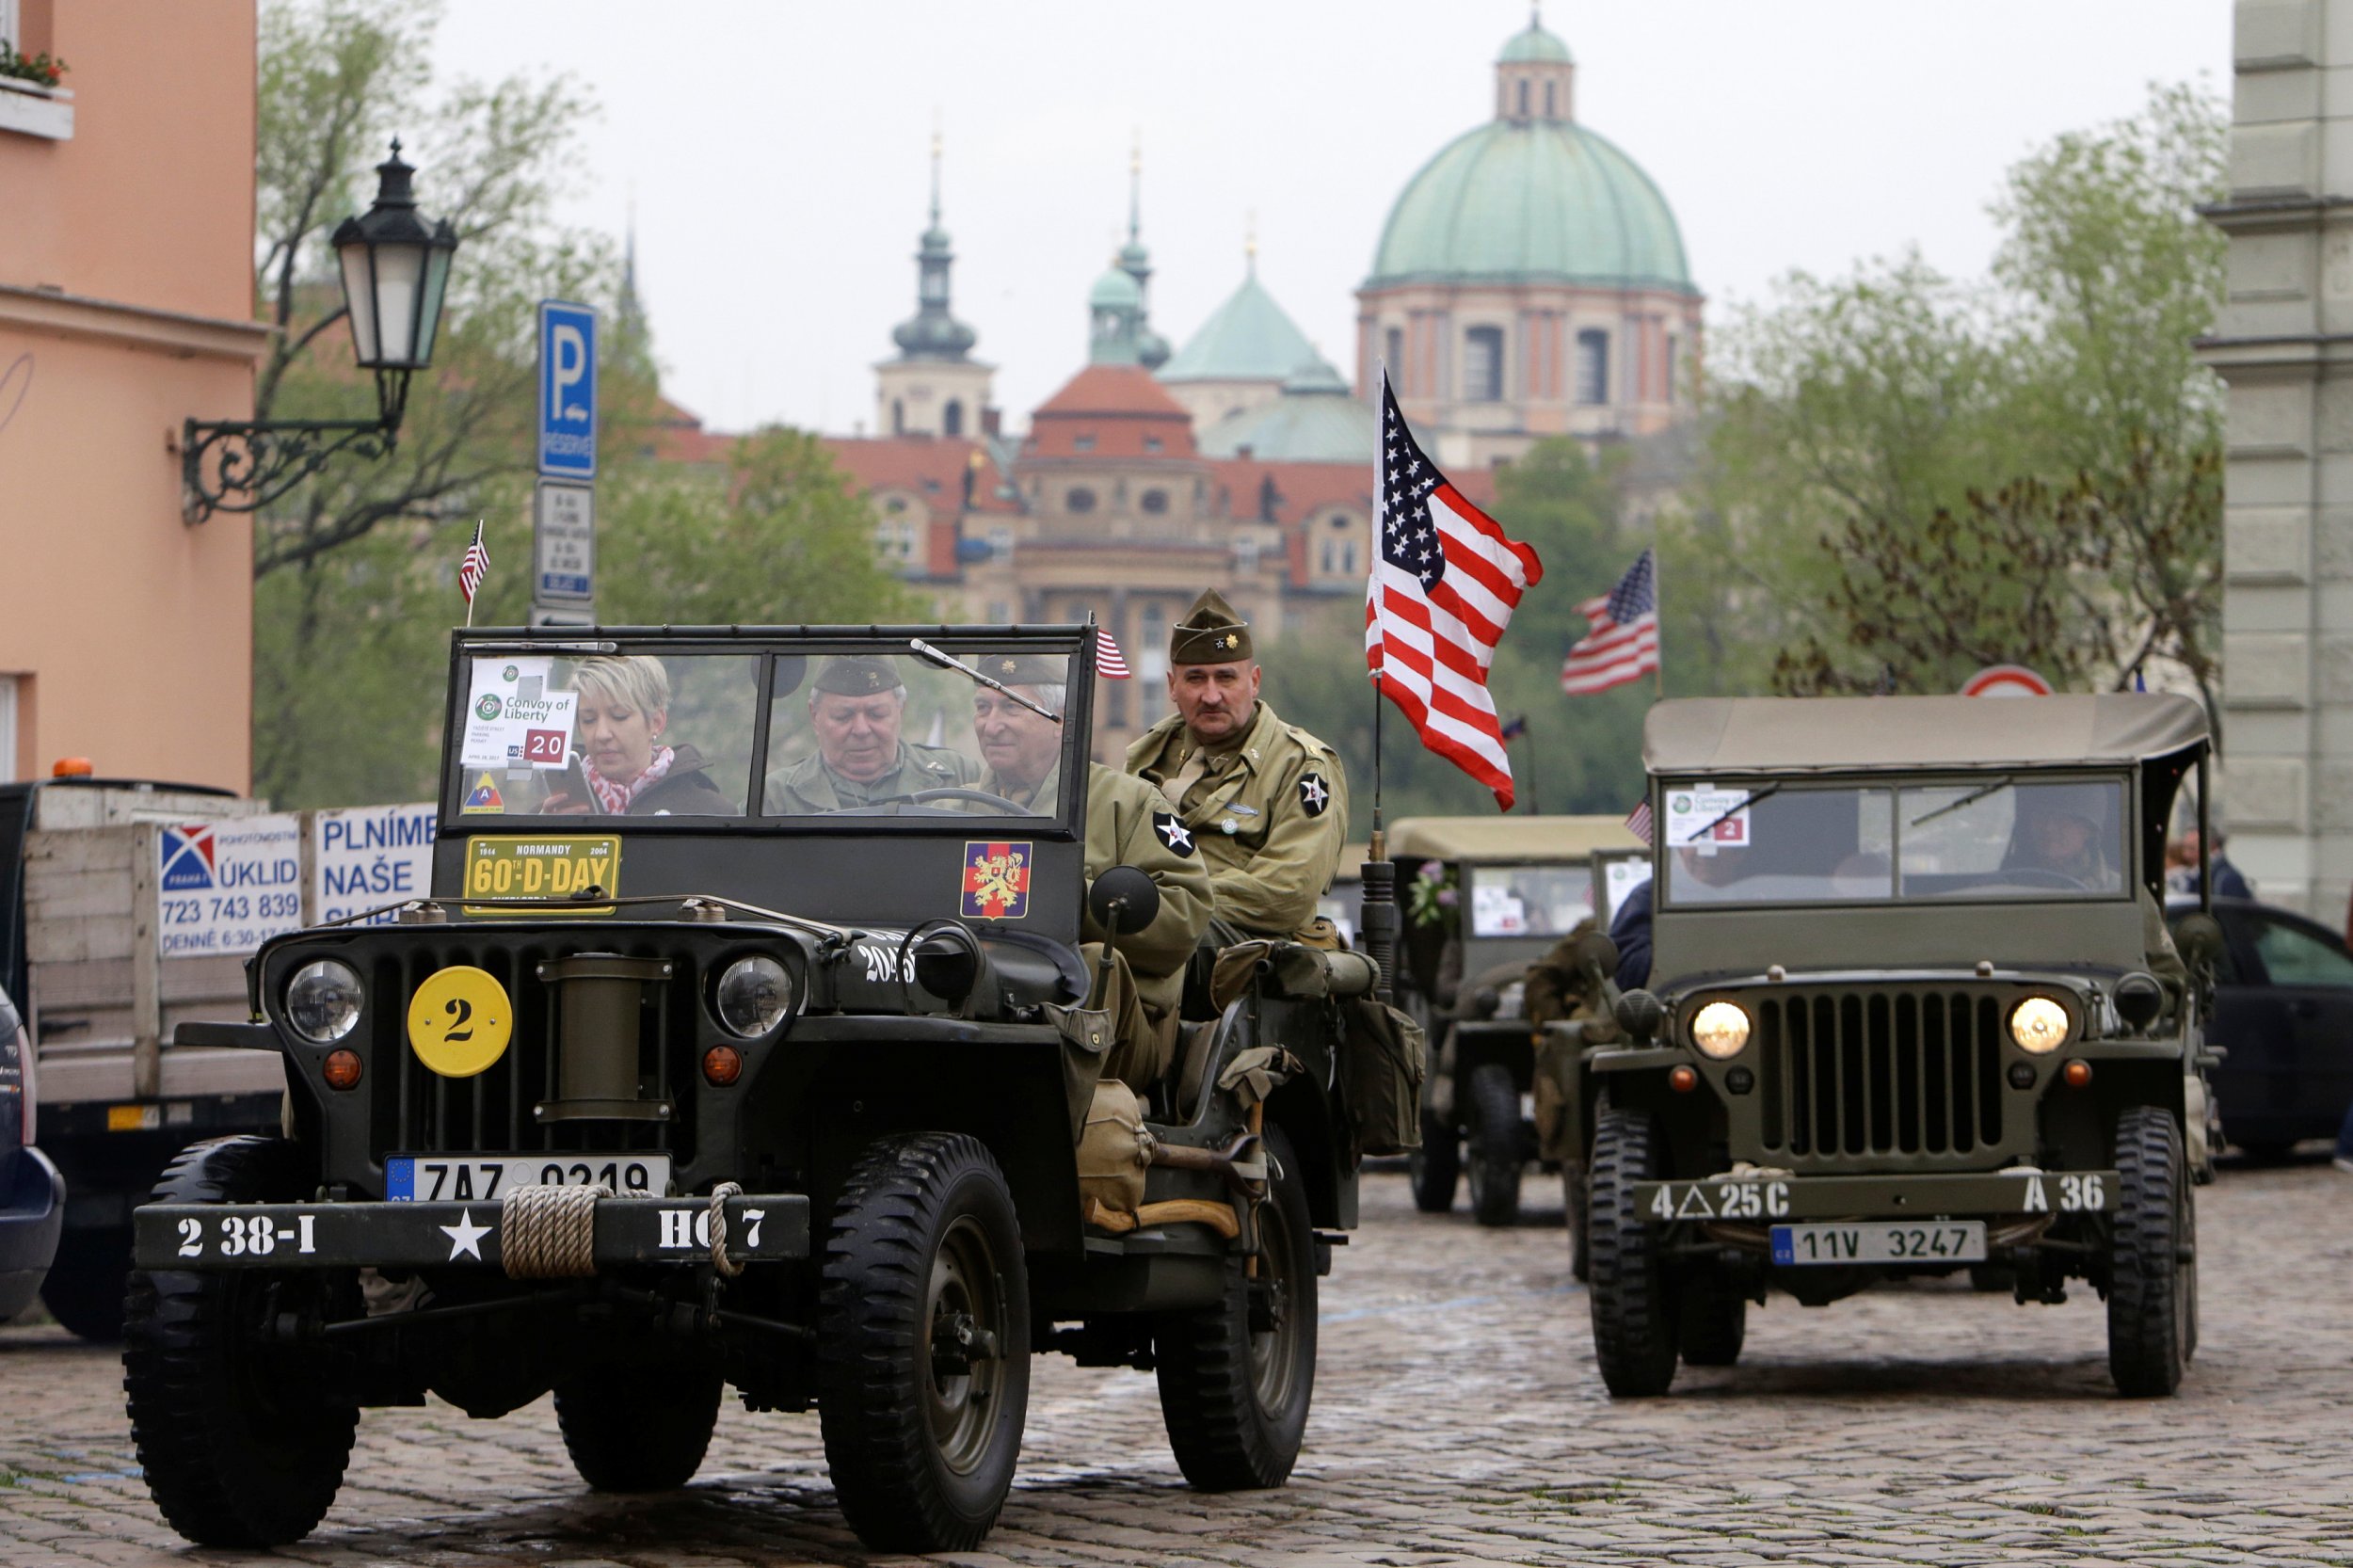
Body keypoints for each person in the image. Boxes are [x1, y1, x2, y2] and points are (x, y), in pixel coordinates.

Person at [965, 654, 1212, 1086]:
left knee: (1094, 961)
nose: (991, 723)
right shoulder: (954, 807)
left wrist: (1073, 902)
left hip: (1109, 1032)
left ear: (1060, 721)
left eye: (1010, 707)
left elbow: (1185, 915)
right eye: (983, 707)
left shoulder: (1128, 802)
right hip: (973, 1007)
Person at [1126, 590, 1347, 941]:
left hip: (1249, 947)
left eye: (1226, 678)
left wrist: (1167, 906)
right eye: (1195, 679)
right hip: (1143, 928)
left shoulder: (1299, 765)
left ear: (1254, 681)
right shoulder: (1147, 757)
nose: (1211, 696)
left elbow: (1287, 891)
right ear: (1172, 686)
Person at [766, 657, 977, 811]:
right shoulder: (776, 798)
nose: (861, 730)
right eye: (843, 716)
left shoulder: (960, 777)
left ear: (900, 710)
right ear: (815, 716)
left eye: (877, 714)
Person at [542, 656, 736, 816]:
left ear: (656, 722)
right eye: (588, 719)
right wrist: (545, 840)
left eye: (619, 716)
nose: (601, 734)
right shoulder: (551, 811)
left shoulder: (710, 813)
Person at [2171, 828, 2252, 901]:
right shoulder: (2194, 876)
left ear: (2212, 847)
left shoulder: (2226, 878)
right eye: (2184, 848)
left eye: (2192, 849)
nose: (2186, 855)